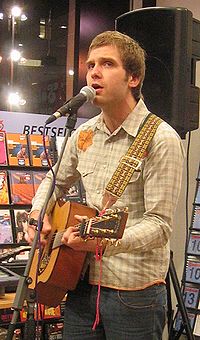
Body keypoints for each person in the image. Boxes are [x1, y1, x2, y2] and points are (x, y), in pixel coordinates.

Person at [26, 31, 184, 339]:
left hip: (133, 293)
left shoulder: (160, 139)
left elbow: (160, 226)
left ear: (133, 78)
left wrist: (101, 243)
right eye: (91, 65)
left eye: (108, 64)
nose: (94, 72)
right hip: (81, 280)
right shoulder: (84, 133)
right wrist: (37, 214)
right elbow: (54, 180)